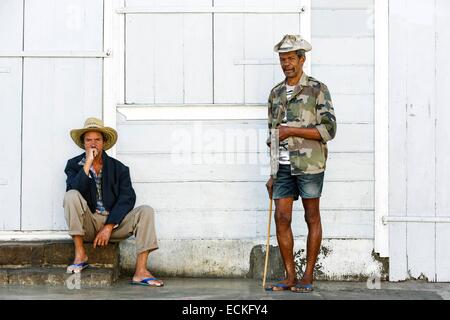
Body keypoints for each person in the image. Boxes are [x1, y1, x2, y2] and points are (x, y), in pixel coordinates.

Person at [265, 35, 337, 293]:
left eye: (291, 59)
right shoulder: (275, 93)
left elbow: (329, 129)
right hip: (283, 167)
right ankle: (289, 276)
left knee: (311, 216)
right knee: (281, 217)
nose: (287, 64)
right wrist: (272, 173)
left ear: (302, 59)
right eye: (283, 60)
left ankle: (308, 275)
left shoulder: (317, 89)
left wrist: (291, 131)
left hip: (310, 165)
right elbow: (273, 136)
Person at [63, 117, 163, 287]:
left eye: (97, 139)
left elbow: (127, 197)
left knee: (146, 211)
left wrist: (109, 226)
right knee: (71, 194)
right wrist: (87, 163)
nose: (93, 143)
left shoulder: (119, 168)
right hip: (88, 223)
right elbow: (76, 189)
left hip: (114, 225)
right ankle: (80, 254)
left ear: (104, 142)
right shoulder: (73, 165)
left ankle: (140, 271)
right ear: (83, 143)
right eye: (88, 140)